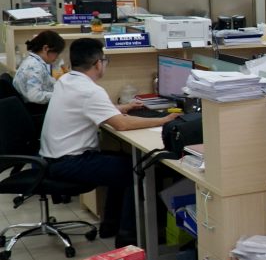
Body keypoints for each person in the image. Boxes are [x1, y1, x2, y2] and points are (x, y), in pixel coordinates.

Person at [40, 38, 179, 246]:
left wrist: (121, 107)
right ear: (98, 63)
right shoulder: (91, 91)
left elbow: (91, 108)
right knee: (137, 169)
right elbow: (121, 125)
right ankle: (128, 237)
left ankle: (110, 226)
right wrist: (163, 120)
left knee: (123, 163)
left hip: (53, 158)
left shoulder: (67, 80)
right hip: (69, 163)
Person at [13, 30, 65, 105]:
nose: (57, 57)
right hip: (35, 109)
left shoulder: (32, 61)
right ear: (46, 49)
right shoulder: (35, 67)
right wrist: (60, 96)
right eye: (57, 53)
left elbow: (45, 83)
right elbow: (34, 96)